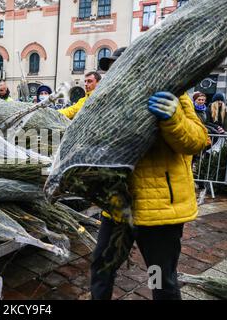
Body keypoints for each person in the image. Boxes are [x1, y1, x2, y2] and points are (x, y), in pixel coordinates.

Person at [90, 53, 209, 300]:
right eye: (113, 69)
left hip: (159, 212)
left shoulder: (174, 94)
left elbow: (198, 140)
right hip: (118, 207)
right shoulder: (109, 101)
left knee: (159, 276)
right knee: (102, 267)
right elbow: (74, 120)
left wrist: (173, 117)